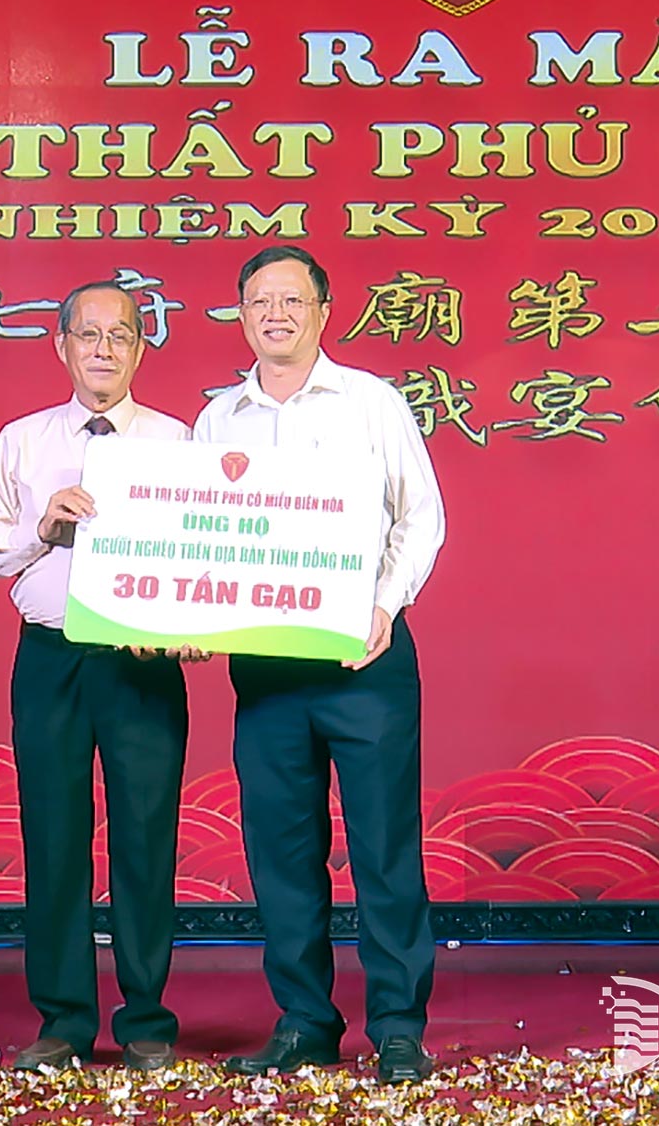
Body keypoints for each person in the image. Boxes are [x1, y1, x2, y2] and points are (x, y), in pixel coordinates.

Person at [192, 245, 445, 1085]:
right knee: (281, 849)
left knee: (383, 847)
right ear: (240, 313)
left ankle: (399, 1026)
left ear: (324, 311)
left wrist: (383, 605)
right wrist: (189, 613)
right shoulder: (217, 420)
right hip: (265, 667)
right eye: (259, 301)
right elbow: (202, 536)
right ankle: (305, 1019)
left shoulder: (372, 402)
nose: (275, 314)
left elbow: (421, 517)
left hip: (362, 658)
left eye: (292, 301)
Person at [0, 281, 191, 1072]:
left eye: (119, 336)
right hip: (51, 657)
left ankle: (148, 1020)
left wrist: (190, 630)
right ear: (60, 346)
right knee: (53, 837)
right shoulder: (22, 441)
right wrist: (41, 528)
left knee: (145, 842)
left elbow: (204, 559)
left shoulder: (176, 441)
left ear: (139, 349)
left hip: (142, 666)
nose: (102, 350)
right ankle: (62, 1021)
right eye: (87, 335)